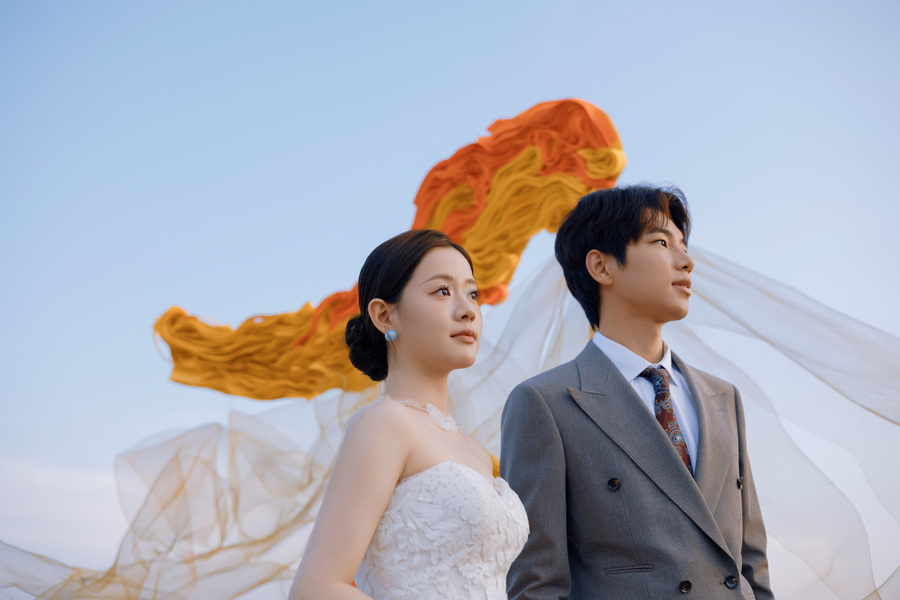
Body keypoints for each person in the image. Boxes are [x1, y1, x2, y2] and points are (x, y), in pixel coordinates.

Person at [500, 185, 774, 599]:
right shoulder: (546, 403)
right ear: (602, 266)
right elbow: (537, 584)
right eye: (661, 242)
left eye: (684, 246)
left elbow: (752, 564)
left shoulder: (723, 398)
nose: (687, 261)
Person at [289, 229, 529, 600]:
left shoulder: (478, 453)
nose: (468, 310)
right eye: (442, 291)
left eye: (472, 294)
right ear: (384, 315)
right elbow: (315, 589)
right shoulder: (383, 425)